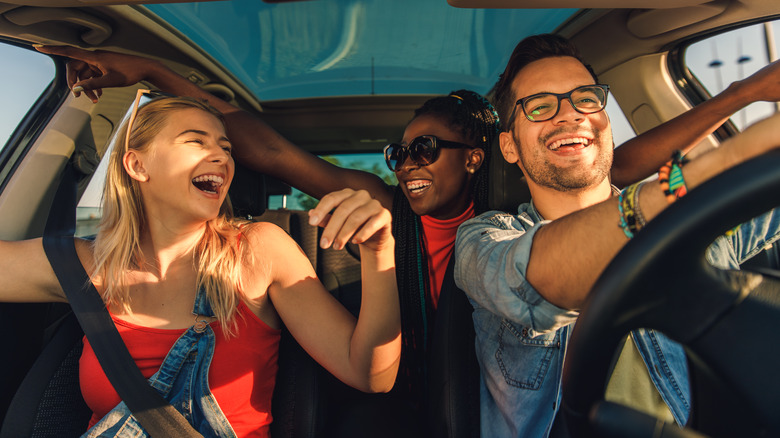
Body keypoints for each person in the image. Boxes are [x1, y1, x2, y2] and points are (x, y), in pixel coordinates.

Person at [33, 44, 780, 433]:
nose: (408, 164)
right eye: (400, 152)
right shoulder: (389, 208)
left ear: (480, 157)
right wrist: (153, 77)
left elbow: (620, 172)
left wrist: (744, 104)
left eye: (428, 150)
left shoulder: (524, 206)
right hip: (402, 382)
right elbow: (270, 151)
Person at [0, 93, 401, 437]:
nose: (221, 157)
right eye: (196, 141)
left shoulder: (257, 251)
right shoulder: (84, 264)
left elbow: (371, 375)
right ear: (138, 166)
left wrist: (379, 252)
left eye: (226, 148)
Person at [454, 33, 780, 437]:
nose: (571, 115)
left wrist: (743, 96)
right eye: (540, 106)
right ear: (509, 147)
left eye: (586, 99)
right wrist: (724, 162)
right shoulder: (483, 238)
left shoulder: (695, 220)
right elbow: (534, 281)